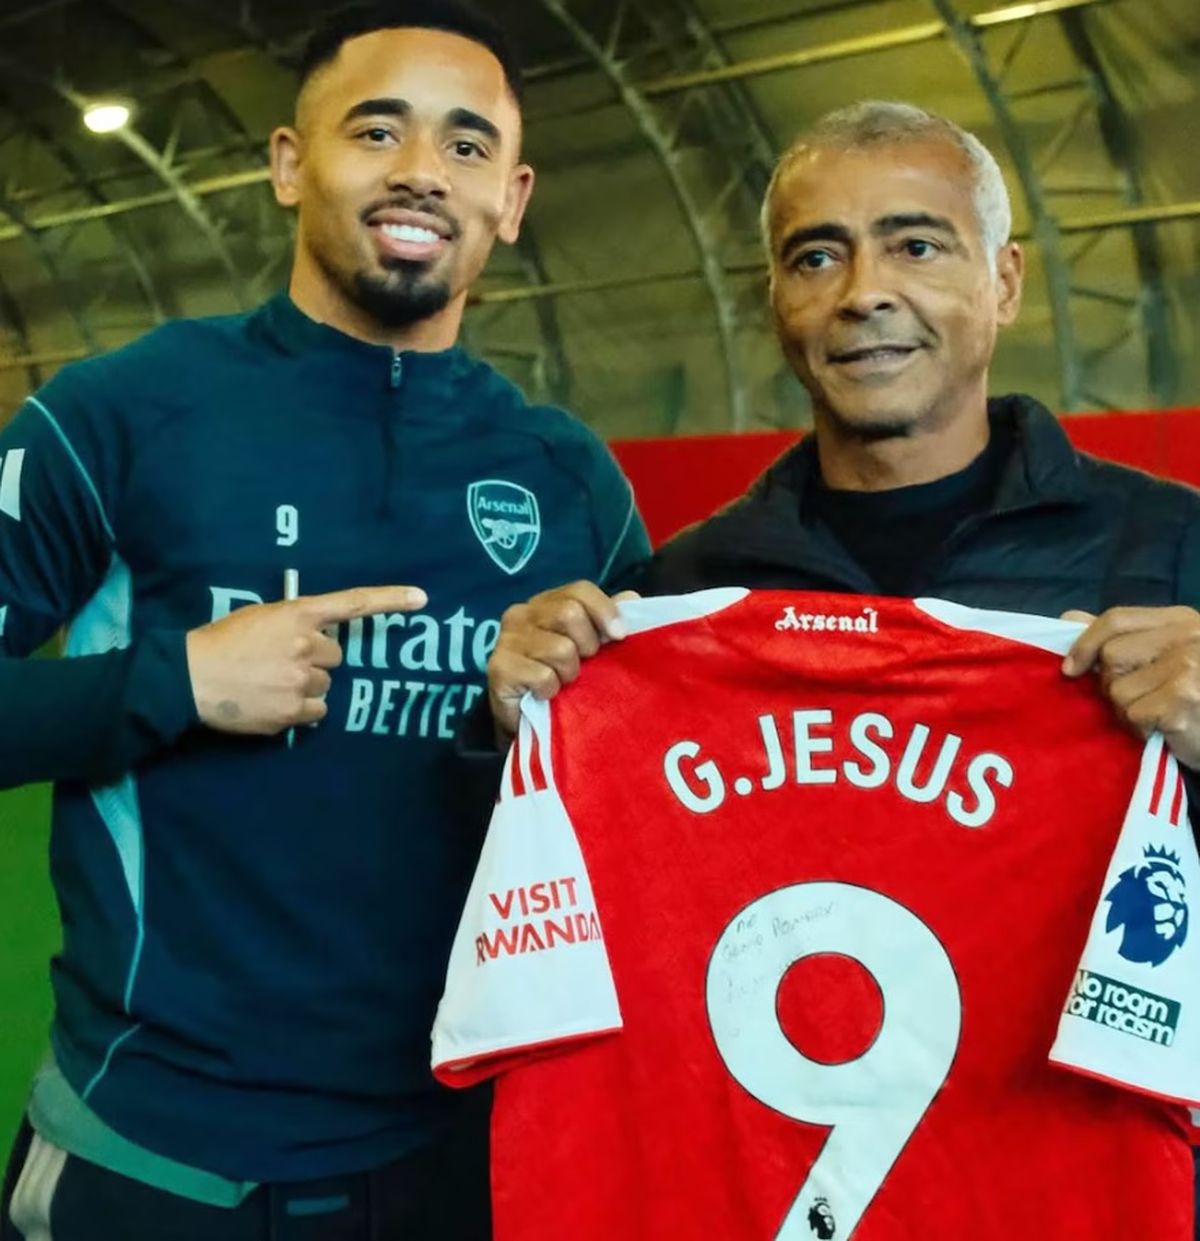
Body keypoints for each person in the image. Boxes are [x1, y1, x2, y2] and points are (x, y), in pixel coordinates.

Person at [484, 99, 1200, 1229]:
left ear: (1005, 281)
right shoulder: (680, 594)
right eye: (817, 255)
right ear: (777, 300)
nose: (863, 290)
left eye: (916, 245)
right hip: (763, 1196)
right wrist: (517, 724)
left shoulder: (1171, 548)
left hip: (1056, 1193)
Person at [0, 2, 648, 1237]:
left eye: (466, 145)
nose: (422, 171)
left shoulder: (568, 478)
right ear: (292, 164)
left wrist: (524, 723)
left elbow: (658, 801)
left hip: (461, 1162)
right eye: (377, 130)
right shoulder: (121, 415)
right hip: (161, 1164)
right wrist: (176, 682)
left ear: (511, 199)